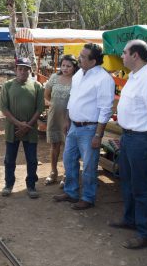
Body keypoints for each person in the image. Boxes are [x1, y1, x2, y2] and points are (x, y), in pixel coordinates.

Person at [108, 40, 147, 249]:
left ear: (135, 55)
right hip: (130, 137)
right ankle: (131, 219)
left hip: (143, 140)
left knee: (142, 187)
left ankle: (146, 233)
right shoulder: (135, 76)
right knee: (128, 182)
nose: (122, 55)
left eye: (125, 52)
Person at [53, 43, 115, 210]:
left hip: (90, 129)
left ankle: (88, 197)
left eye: (82, 57)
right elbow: (72, 98)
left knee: (89, 165)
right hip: (74, 125)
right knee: (69, 159)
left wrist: (98, 135)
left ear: (93, 61)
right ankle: (71, 192)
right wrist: (67, 119)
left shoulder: (104, 79)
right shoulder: (80, 73)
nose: (78, 58)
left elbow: (105, 109)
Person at [0, 58, 44, 198]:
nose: (23, 72)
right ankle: (8, 184)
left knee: (32, 159)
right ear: (15, 70)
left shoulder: (37, 86)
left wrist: (27, 125)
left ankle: (31, 185)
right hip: (12, 129)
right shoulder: (7, 86)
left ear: (30, 71)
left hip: (30, 130)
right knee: (9, 159)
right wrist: (19, 124)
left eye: (26, 69)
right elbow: (3, 108)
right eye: (20, 69)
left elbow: (39, 108)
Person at [44, 55, 79, 187]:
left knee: (68, 148)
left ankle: (66, 174)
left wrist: (68, 118)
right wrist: (50, 104)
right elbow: (46, 95)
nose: (65, 68)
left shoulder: (77, 80)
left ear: (74, 67)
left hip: (69, 118)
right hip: (54, 117)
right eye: (63, 65)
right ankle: (53, 172)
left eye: (68, 66)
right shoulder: (54, 78)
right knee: (54, 145)